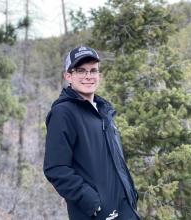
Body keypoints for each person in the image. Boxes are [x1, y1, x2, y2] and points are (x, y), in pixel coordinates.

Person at [43, 46, 141, 220]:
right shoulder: (63, 113)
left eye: (93, 70)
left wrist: (130, 194)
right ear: (68, 76)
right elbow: (56, 168)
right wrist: (93, 203)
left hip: (125, 208)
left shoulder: (103, 112)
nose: (88, 76)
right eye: (81, 70)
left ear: (99, 75)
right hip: (98, 214)